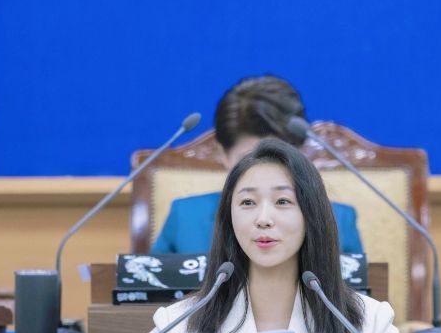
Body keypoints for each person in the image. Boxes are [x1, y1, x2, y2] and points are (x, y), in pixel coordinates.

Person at [86, 140, 440, 333]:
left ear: (311, 215)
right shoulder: (178, 323)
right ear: (229, 218)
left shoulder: (366, 321)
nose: (263, 219)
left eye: (283, 201)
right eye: (247, 202)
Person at [151, 75, 363, 254]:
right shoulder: (185, 217)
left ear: (301, 153)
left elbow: (353, 291)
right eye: (248, 159)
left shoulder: (338, 220)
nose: (264, 171)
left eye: (277, 157)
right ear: (223, 154)